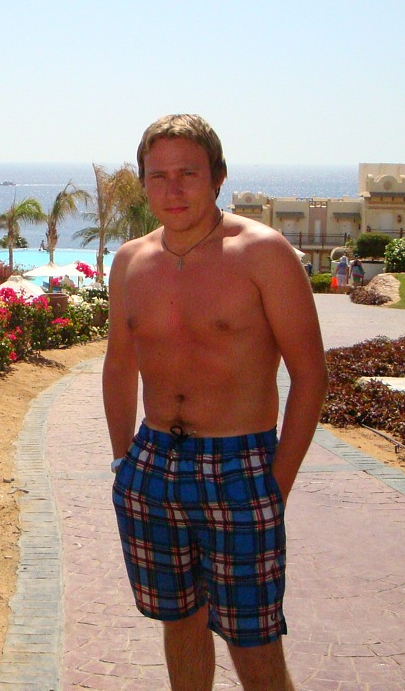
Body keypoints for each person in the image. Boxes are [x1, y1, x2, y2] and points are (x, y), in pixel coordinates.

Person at [104, 114, 327, 691]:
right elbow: (120, 364)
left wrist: (276, 484)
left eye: (188, 173)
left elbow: (310, 375)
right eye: (158, 176)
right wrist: (123, 460)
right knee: (179, 622)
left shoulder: (263, 253)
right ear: (143, 183)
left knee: (254, 643)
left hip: (240, 464)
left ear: (218, 176)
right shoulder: (130, 261)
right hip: (153, 463)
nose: (173, 189)